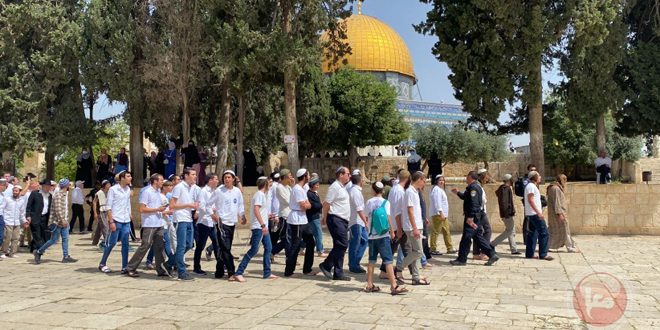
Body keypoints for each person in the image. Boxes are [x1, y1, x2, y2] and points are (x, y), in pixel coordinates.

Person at [364, 182, 408, 295]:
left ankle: (369, 284)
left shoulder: (369, 202)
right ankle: (394, 285)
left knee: (371, 260)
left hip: (372, 236)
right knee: (388, 260)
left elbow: (366, 217)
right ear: (383, 191)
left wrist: (368, 229)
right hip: (383, 236)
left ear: (373, 190)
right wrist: (392, 231)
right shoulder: (386, 202)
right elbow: (388, 218)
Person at [450, 171, 500, 266]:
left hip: (472, 217)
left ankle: (461, 260)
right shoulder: (472, 187)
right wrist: (457, 193)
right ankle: (492, 254)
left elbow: (474, 204)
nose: (465, 179)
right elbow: (466, 197)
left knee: (466, 238)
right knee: (477, 237)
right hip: (475, 216)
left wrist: (470, 217)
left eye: (466, 177)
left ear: (470, 177)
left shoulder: (474, 187)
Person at [233, 177, 278, 282]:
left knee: (269, 248)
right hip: (259, 227)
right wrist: (262, 225)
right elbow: (256, 209)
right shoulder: (259, 195)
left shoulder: (262, 195)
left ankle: (267, 272)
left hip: (262, 226)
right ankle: (239, 272)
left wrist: (268, 216)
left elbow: (260, 211)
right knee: (254, 249)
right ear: (265, 184)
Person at [125, 174, 170, 277]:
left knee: (159, 247)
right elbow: (142, 209)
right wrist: (157, 209)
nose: (163, 182)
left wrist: (162, 209)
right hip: (149, 224)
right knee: (145, 245)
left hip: (159, 223)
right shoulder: (147, 192)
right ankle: (131, 267)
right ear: (155, 181)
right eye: (161, 180)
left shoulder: (158, 192)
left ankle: (161, 269)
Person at [397, 171, 430, 285]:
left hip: (417, 225)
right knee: (419, 252)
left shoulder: (415, 191)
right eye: (424, 181)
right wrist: (415, 228)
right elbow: (410, 211)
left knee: (416, 252)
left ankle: (415, 277)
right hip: (412, 227)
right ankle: (399, 268)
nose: (424, 183)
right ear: (419, 179)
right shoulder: (410, 192)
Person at [211, 170, 245, 280]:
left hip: (232, 222)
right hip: (222, 222)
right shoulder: (219, 191)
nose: (227, 179)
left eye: (229, 177)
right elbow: (208, 204)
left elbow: (240, 205)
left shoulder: (237, 191)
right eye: (225, 177)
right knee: (225, 248)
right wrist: (213, 214)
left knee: (225, 247)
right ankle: (231, 272)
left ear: (233, 179)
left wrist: (242, 216)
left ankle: (219, 271)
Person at [319, 167, 352, 281]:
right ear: (341, 174)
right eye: (348, 174)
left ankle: (338, 272)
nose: (349, 176)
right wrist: (325, 218)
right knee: (342, 245)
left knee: (339, 246)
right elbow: (326, 203)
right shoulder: (335, 187)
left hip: (342, 220)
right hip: (336, 219)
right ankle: (326, 265)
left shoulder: (342, 187)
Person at [34, 179, 77, 264]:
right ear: (66, 185)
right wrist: (62, 220)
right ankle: (38, 252)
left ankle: (65, 256)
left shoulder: (65, 194)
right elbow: (58, 209)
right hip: (57, 222)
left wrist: (66, 220)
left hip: (64, 221)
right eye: (68, 184)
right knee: (53, 240)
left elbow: (65, 210)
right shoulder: (58, 195)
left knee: (65, 239)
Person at [98, 171, 133, 273]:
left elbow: (128, 203)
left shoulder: (127, 189)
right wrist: (111, 221)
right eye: (128, 176)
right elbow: (108, 206)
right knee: (112, 242)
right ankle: (102, 263)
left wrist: (130, 214)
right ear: (122, 178)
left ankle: (125, 266)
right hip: (116, 219)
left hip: (125, 220)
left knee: (125, 243)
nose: (130, 178)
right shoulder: (113, 190)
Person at [284, 169, 316, 277]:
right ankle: (289, 271)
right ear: (304, 176)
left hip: (303, 219)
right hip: (296, 220)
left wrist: (307, 205)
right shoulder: (297, 189)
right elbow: (304, 205)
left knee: (311, 242)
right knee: (295, 245)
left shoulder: (302, 189)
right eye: (308, 175)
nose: (309, 177)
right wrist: (307, 205)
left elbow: (308, 204)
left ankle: (307, 268)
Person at [168, 168, 199, 281]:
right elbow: (172, 205)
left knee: (189, 244)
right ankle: (181, 272)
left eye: (195, 174)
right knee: (181, 246)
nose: (195, 176)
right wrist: (188, 205)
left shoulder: (191, 188)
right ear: (186, 176)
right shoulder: (179, 187)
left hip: (188, 219)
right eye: (193, 174)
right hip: (180, 219)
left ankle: (169, 263)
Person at [193, 174, 220, 275]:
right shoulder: (203, 191)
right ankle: (196, 267)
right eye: (216, 179)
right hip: (204, 222)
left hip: (212, 222)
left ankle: (220, 265)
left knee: (217, 244)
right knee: (200, 245)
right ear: (210, 180)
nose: (218, 181)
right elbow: (202, 206)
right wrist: (211, 212)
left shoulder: (215, 191)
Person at [524, 171, 553, 261]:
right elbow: (531, 200)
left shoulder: (531, 186)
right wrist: (538, 212)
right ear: (535, 177)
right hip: (534, 214)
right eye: (539, 175)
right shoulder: (531, 187)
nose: (540, 177)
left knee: (532, 234)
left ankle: (530, 254)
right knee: (544, 233)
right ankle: (543, 254)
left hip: (531, 213)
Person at [548, 174, 579, 253]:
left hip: (556, 214)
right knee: (565, 230)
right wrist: (560, 214)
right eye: (565, 180)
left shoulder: (554, 187)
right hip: (558, 214)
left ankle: (549, 246)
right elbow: (557, 202)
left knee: (556, 231)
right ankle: (570, 247)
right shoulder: (555, 188)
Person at [491, 174, 520, 254]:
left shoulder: (502, 188)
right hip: (507, 213)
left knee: (511, 231)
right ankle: (492, 244)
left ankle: (513, 249)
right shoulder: (505, 189)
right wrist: (507, 213)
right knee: (509, 231)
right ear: (509, 180)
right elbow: (504, 202)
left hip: (506, 213)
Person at [429, 174, 456, 255]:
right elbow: (437, 202)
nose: (442, 182)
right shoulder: (436, 190)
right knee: (436, 231)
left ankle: (450, 247)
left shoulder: (439, 189)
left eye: (443, 180)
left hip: (442, 215)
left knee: (446, 231)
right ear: (436, 181)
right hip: (439, 214)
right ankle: (433, 248)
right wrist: (440, 213)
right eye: (440, 180)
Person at [348, 171, 368, 274]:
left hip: (360, 221)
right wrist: (365, 221)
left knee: (364, 241)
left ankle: (356, 261)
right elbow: (359, 209)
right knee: (355, 243)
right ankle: (353, 264)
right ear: (360, 181)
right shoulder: (355, 191)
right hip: (356, 221)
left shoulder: (356, 191)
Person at [25, 179, 52, 253]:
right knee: (36, 234)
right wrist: (28, 215)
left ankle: (33, 247)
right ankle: (40, 250)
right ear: (42, 186)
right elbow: (29, 206)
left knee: (43, 234)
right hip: (35, 217)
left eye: (49, 187)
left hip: (45, 217)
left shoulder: (50, 196)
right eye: (46, 186)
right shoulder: (34, 193)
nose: (47, 188)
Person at [2, 185, 27, 258]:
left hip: (17, 222)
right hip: (7, 221)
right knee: (7, 238)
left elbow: (22, 213)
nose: (14, 192)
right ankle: (4, 252)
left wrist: (24, 221)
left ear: (20, 192)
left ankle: (12, 253)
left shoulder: (21, 201)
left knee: (15, 238)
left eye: (16, 191)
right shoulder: (7, 199)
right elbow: (2, 209)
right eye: (13, 191)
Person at [272, 169, 293, 258]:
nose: (291, 178)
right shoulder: (279, 188)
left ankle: (272, 252)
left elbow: (294, 197)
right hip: (284, 215)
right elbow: (288, 201)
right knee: (287, 238)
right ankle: (289, 258)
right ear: (285, 177)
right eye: (290, 176)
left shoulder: (288, 187)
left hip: (290, 215)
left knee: (288, 238)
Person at [472, 169, 492, 260]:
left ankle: (476, 253)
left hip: (479, 212)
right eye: (487, 176)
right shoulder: (477, 186)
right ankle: (484, 252)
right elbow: (482, 200)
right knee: (487, 231)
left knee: (477, 232)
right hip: (480, 212)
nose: (488, 178)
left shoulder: (479, 186)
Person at [306, 176, 326, 257]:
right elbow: (313, 205)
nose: (318, 186)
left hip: (316, 216)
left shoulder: (315, 193)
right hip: (313, 217)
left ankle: (301, 247)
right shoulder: (309, 194)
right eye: (316, 185)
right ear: (312, 185)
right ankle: (320, 250)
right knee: (318, 234)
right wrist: (321, 204)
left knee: (311, 234)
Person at [91, 180, 111, 250]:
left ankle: (95, 241)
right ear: (104, 185)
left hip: (107, 210)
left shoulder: (109, 192)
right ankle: (106, 242)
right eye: (108, 184)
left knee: (100, 227)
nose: (109, 185)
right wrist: (95, 213)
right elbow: (94, 203)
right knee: (106, 227)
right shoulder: (99, 193)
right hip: (101, 211)